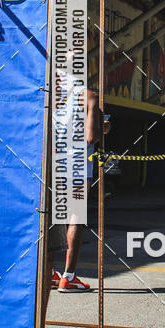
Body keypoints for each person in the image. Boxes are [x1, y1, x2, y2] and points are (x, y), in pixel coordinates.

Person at [52, 87, 107, 292]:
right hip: (77, 169)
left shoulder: (51, 95)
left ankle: (49, 274)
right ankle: (68, 276)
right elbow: (91, 137)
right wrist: (103, 125)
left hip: (54, 165)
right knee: (75, 219)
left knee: (51, 220)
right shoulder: (89, 96)